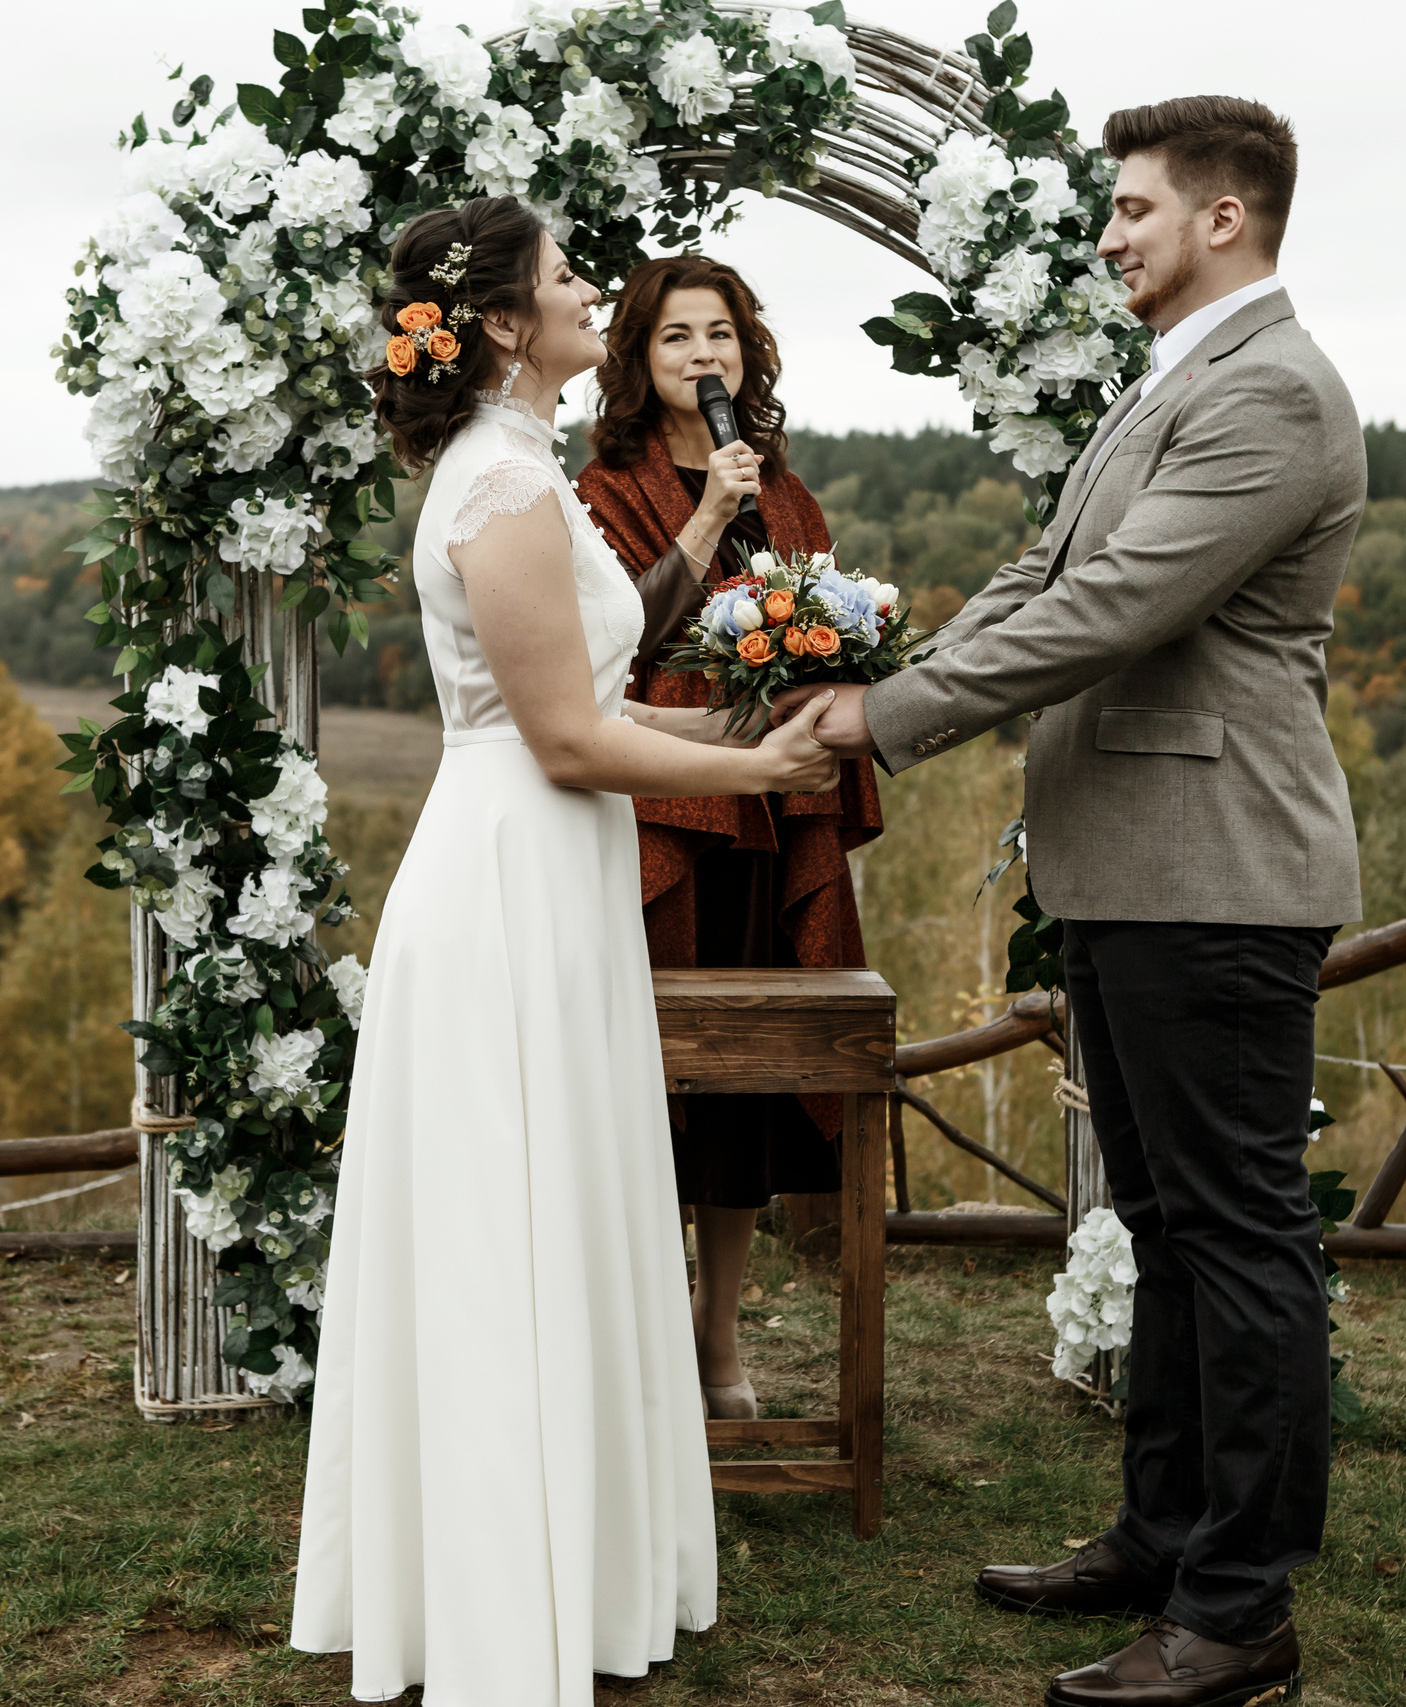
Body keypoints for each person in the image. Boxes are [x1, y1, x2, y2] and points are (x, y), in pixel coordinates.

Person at [782, 97, 1364, 1707]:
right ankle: (1163, 1534)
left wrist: (893, 718)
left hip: (1216, 869)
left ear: (1225, 217)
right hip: (1128, 866)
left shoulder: (1275, 391)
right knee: (1166, 1224)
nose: (1107, 236)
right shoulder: (1168, 380)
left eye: (1131, 208)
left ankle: (1238, 1610)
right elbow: (1043, 575)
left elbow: (1117, 606)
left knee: (1239, 1233)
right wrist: (889, 674)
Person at [289, 196, 843, 1706]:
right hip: (508, 879)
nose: (591, 288)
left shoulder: (524, 466)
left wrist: (739, 723)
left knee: (562, 1203)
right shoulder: (495, 484)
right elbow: (561, 740)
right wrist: (759, 771)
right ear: (502, 324)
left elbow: (607, 697)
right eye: (564, 275)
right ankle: (492, 1594)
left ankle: (572, 1566)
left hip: (559, 866)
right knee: (502, 1224)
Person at [573, 255, 885, 1422]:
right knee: (654, 1081)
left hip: (771, 814)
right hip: (660, 808)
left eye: (720, 335)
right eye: (676, 337)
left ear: (747, 354)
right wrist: (705, 516)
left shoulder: (786, 496)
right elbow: (618, 643)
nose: (703, 355)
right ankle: (643, 1335)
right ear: (636, 360)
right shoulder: (601, 490)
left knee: (747, 1091)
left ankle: (717, 1338)